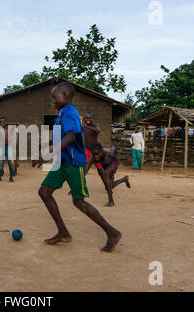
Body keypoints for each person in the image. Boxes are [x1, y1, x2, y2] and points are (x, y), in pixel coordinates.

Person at [32, 82, 122, 252]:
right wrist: (47, 142)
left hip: (74, 164)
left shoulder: (70, 113)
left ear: (65, 96)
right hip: (63, 163)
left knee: (79, 201)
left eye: (54, 98)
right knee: (44, 192)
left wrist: (48, 155)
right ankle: (63, 232)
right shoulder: (63, 113)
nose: (53, 101)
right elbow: (63, 135)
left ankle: (112, 232)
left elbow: (72, 136)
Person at [0, 117, 16, 183]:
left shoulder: (9, 129)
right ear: (0, 123)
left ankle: (11, 177)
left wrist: (10, 141)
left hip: (9, 146)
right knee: (0, 162)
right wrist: (0, 143)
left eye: (3, 121)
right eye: (1, 121)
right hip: (1, 147)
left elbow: (13, 137)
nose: (2, 122)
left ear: (5, 122)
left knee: (11, 161)